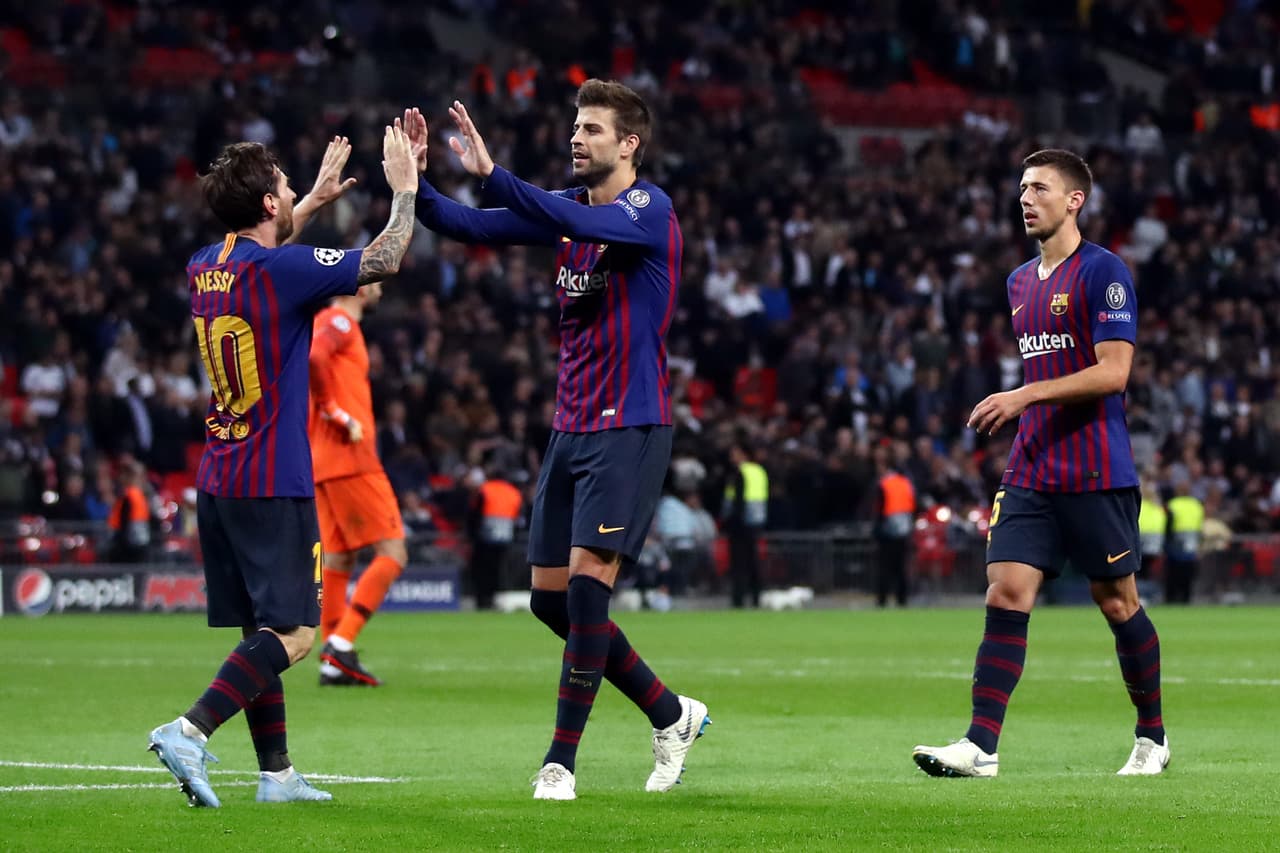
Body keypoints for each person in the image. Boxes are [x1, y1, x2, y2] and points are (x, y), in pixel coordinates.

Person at [403, 79, 709, 801]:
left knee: (585, 590)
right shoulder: (569, 212)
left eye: (593, 129)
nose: (577, 137)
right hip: (570, 427)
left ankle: (560, 762)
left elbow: (528, 205)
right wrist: (413, 186)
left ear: (629, 144)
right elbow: (472, 226)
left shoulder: (649, 210)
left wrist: (493, 174)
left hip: (630, 424)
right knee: (549, 602)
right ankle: (671, 712)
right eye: (575, 125)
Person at [146, 127, 420, 808]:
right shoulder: (282, 272)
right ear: (270, 203)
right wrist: (406, 188)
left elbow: (271, 258)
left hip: (220, 477)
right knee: (296, 633)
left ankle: (275, 775)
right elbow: (383, 259)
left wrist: (318, 199)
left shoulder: (205, 265)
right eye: (289, 187)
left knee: (258, 631)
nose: (297, 190)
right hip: (274, 479)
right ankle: (189, 728)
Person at [913, 149, 1168, 778]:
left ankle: (1152, 737)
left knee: (1117, 603)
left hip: (1095, 470)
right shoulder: (1019, 282)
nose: (1026, 199)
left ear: (1074, 199)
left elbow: (1114, 372)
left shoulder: (1103, 272)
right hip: (1032, 467)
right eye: (1022, 189)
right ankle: (981, 746)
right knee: (1006, 590)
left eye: (1040, 189)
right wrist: (1026, 407)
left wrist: (1023, 395)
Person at [309, 278, 407, 687]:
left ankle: (333, 659)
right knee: (393, 551)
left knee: (339, 558)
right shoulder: (339, 322)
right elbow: (315, 357)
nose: (382, 288)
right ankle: (342, 645)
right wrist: (335, 411)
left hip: (322, 459)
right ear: (361, 288)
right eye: (377, 281)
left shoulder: (327, 321)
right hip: (351, 456)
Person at [466, 466, 524, 610]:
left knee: (481, 570)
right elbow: (518, 518)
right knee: (498, 569)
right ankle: (494, 598)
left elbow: (474, 513)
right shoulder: (514, 492)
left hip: (484, 538)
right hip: (505, 538)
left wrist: (471, 535)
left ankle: (482, 600)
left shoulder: (485, 489)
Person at [722, 441, 768, 608]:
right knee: (753, 562)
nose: (731, 457)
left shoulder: (739, 473)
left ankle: (738, 600)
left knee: (739, 563)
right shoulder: (759, 471)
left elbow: (737, 502)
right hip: (756, 523)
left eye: (734, 453)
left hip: (740, 525)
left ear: (743, 454)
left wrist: (729, 522)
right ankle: (756, 598)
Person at [874, 456, 916, 607]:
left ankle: (882, 599)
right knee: (900, 567)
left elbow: (880, 508)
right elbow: (913, 504)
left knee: (884, 566)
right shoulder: (905, 483)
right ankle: (902, 599)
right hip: (904, 528)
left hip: (887, 529)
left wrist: (876, 529)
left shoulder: (884, 484)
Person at [1164, 481, 1204, 604]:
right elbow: (1199, 525)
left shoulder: (1173, 504)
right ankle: (1186, 597)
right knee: (1188, 572)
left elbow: (1167, 524)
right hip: (1191, 541)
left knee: (1173, 571)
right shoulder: (1196, 505)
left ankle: (1171, 598)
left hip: (1175, 541)